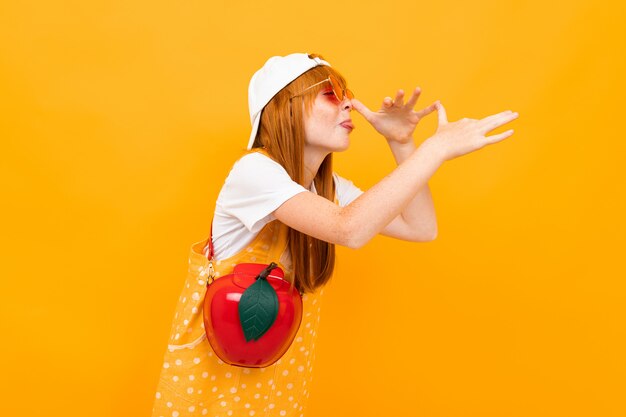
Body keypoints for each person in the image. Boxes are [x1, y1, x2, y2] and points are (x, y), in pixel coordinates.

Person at [151, 52, 519, 417]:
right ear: (286, 108)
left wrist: (403, 143)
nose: (350, 106)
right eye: (331, 94)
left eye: (347, 95)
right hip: (214, 387)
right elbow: (349, 229)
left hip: (275, 384)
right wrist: (436, 149)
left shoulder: (328, 189)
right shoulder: (254, 172)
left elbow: (420, 227)